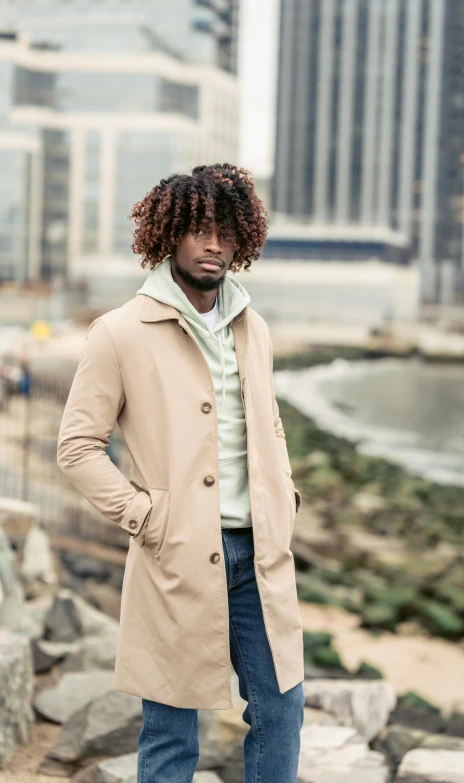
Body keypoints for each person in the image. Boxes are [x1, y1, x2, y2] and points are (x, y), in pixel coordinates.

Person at [57, 163, 305, 782]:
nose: (214, 244)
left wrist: (285, 497)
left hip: (261, 555)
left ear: (242, 237)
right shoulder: (119, 333)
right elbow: (78, 446)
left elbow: (267, 425)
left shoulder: (255, 328)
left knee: (282, 710)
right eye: (199, 230)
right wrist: (144, 515)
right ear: (168, 234)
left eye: (225, 230)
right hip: (177, 552)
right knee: (171, 730)